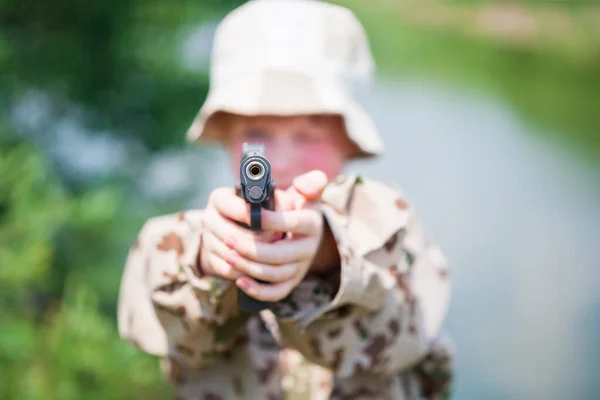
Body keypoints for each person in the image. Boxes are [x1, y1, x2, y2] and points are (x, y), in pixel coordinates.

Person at [117, 0, 454, 399]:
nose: (280, 158)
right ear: (226, 135)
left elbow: (407, 322)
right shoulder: (190, 237)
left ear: (349, 139)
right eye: (256, 133)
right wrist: (209, 260)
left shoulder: (389, 229)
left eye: (308, 134)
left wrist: (327, 257)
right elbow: (151, 305)